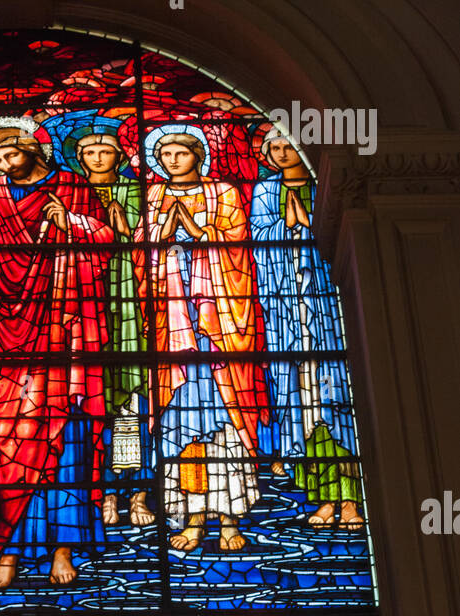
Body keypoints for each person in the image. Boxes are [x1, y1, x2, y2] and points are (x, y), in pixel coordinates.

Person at [0, 119, 114, 589]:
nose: (1, 165)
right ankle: (9, 554)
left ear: (29, 148)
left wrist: (71, 223)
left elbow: (106, 242)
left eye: (8, 155)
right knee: (2, 445)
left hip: (62, 326)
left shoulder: (72, 187)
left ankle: (62, 548)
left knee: (65, 439)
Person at [141, 127, 270, 552]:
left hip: (218, 331)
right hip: (174, 333)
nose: (172, 160)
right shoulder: (154, 196)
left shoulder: (224, 193)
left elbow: (236, 246)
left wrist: (195, 229)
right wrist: (162, 232)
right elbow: (141, 250)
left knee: (226, 431)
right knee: (184, 436)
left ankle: (230, 519)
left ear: (198, 155)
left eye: (181, 152)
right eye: (166, 154)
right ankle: (194, 520)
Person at [251, 130, 364, 529]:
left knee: (336, 411)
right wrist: (288, 227)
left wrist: (307, 230)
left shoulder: (320, 185)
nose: (282, 154)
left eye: (288, 146)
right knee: (302, 408)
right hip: (285, 312)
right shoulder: (265, 191)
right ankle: (323, 500)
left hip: (325, 311)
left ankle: (348, 500)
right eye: (275, 148)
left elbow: (340, 239)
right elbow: (258, 240)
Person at [69, 125, 152, 527]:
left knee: (132, 401)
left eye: (106, 151)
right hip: (82, 301)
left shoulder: (138, 191)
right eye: (90, 152)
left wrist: (126, 232)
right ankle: (102, 496)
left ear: (120, 156)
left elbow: (148, 241)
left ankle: (136, 492)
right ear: (79, 158)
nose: (98, 158)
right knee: (90, 400)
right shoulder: (70, 191)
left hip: (131, 298)